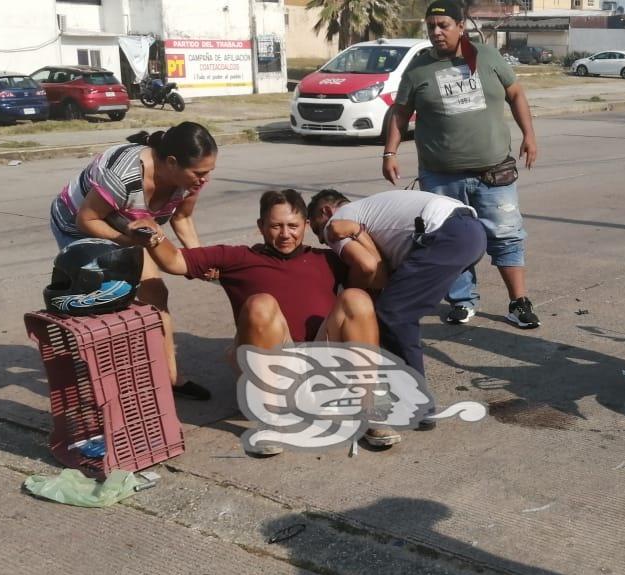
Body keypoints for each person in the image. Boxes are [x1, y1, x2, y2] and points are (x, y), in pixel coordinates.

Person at [135, 189, 400, 451]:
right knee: (261, 303)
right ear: (261, 226)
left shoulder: (327, 259)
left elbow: (376, 275)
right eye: (275, 226)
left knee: (357, 298)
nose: (285, 234)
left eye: (293, 226)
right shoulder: (238, 258)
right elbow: (175, 261)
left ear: (306, 226)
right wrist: (155, 235)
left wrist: (358, 233)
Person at [381, 0, 541, 330]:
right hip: (440, 175)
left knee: (507, 235)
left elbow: (516, 94)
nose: (436, 32)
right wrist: (389, 153)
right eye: (431, 27)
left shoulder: (488, 56)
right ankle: (462, 301)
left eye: (443, 25)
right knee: (449, 239)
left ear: (460, 27)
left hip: (493, 171)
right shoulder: (419, 69)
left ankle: (518, 302)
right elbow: (400, 112)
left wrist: (529, 135)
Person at [49, 121, 218, 400]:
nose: (204, 179)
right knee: (106, 299)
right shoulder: (124, 175)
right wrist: (129, 240)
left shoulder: (189, 182)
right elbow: (87, 219)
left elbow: (182, 218)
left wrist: (199, 259)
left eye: (209, 172)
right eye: (199, 173)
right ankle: (103, 385)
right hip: (79, 225)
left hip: (130, 225)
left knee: (155, 292)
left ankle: (170, 378)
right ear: (172, 163)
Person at [306, 189, 487, 418]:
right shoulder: (370, 211)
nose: (322, 239)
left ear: (326, 211)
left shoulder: (336, 223)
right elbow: (381, 271)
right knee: (394, 310)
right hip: (471, 231)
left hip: (445, 236)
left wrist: (351, 296)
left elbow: (368, 267)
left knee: (394, 314)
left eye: (316, 230)